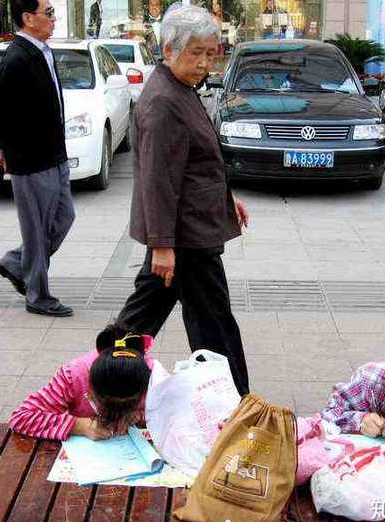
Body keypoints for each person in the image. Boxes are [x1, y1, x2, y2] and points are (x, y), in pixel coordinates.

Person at [115, 5, 250, 397]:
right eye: (196, 53)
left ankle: (108, 375)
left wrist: (227, 201)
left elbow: (193, 165)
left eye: (210, 54)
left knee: (144, 318)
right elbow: (157, 181)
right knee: (215, 326)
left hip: (187, 231)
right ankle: (236, 402)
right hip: (185, 238)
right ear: (169, 48)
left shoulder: (178, 90)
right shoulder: (163, 102)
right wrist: (161, 245)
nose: (205, 63)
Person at [0, 0, 76, 317]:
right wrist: (0, 149)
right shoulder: (16, 59)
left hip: (54, 154)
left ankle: (15, 262)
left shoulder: (42, 52)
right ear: (27, 18)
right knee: (37, 232)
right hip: (31, 159)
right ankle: (37, 295)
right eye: (48, 13)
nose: (54, 19)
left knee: (65, 218)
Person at [9, 325, 158, 440]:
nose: (117, 413)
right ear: (90, 388)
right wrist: (78, 425)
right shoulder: (73, 376)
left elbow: (174, 417)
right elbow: (21, 417)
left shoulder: (154, 377)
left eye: (127, 405)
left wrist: (140, 415)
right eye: (109, 405)